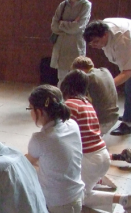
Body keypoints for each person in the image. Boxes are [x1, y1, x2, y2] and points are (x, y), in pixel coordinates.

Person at [60, 70, 131, 213]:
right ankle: (99, 180)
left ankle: (125, 200)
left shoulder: (70, 104)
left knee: (73, 196)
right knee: (81, 186)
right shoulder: (87, 103)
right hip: (102, 156)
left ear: (66, 86)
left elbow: (63, 134)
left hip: (90, 161)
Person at [83, 18, 131, 135]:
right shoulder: (103, 29)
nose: (93, 45)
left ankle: (128, 123)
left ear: (105, 35)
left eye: (96, 42)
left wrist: (106, 86)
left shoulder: (123, 40)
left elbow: (128, 72)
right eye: (90, 43)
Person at [25, 84, 84, 213]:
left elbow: (25, 162)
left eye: (30, 109)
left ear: (39, 112)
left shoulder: (41, 138)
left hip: (58, 204)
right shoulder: (72, 124)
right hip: (76, 196)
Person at [50, 0, 91, 86]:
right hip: (61, 46)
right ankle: (62, 101)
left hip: (75, 46)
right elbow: (54, 26)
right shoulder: (62, 5)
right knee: (61, 79)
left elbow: (77, 28)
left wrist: (62, 24)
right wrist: (70, 23)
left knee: (76, 78)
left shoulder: (85, 5)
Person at [71, 56, 119, 135]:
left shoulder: (88, 78)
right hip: (114, 116)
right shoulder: (105, 71)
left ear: (79, 70)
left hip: (102, 121)